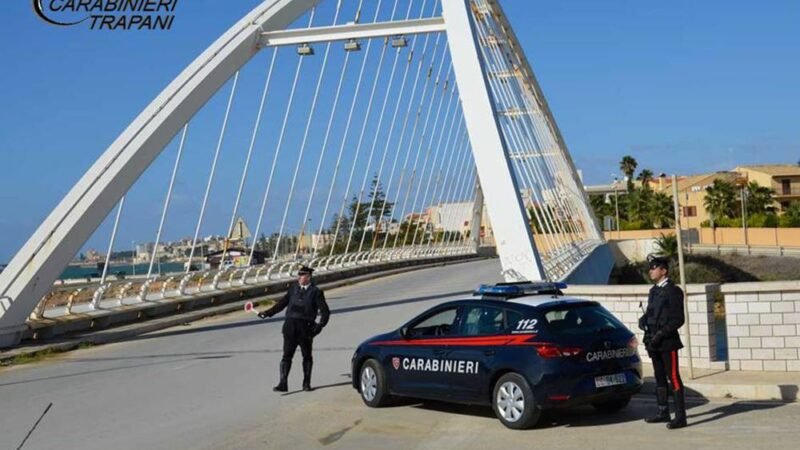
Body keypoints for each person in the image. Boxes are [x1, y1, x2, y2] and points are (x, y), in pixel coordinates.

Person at [259, 265, 329, 392]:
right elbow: (281, 304)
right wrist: (267, 313)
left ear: (308, 277)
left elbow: (325, 311)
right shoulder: (293, 289)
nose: (299, 278)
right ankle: (283, 382)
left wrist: (320, 326)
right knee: (287, 355)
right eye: (299, 275)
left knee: (307, 356)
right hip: (290, 327)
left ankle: (306, 383)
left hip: (306, 328)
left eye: (302, 275)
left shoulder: (316, 292)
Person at [639, 255, 687, 429]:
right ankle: (663, 411)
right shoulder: (654, 291)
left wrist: (661, 334)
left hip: (667, 342)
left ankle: (681, 416)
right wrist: (643, 319)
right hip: (653, 341)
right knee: (659, 376)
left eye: (654, 267)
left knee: (672, 376)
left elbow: (678, 319)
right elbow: (653, 312)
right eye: (650, 268)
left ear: (663, 270)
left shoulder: (673, 291)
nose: (651, 271)